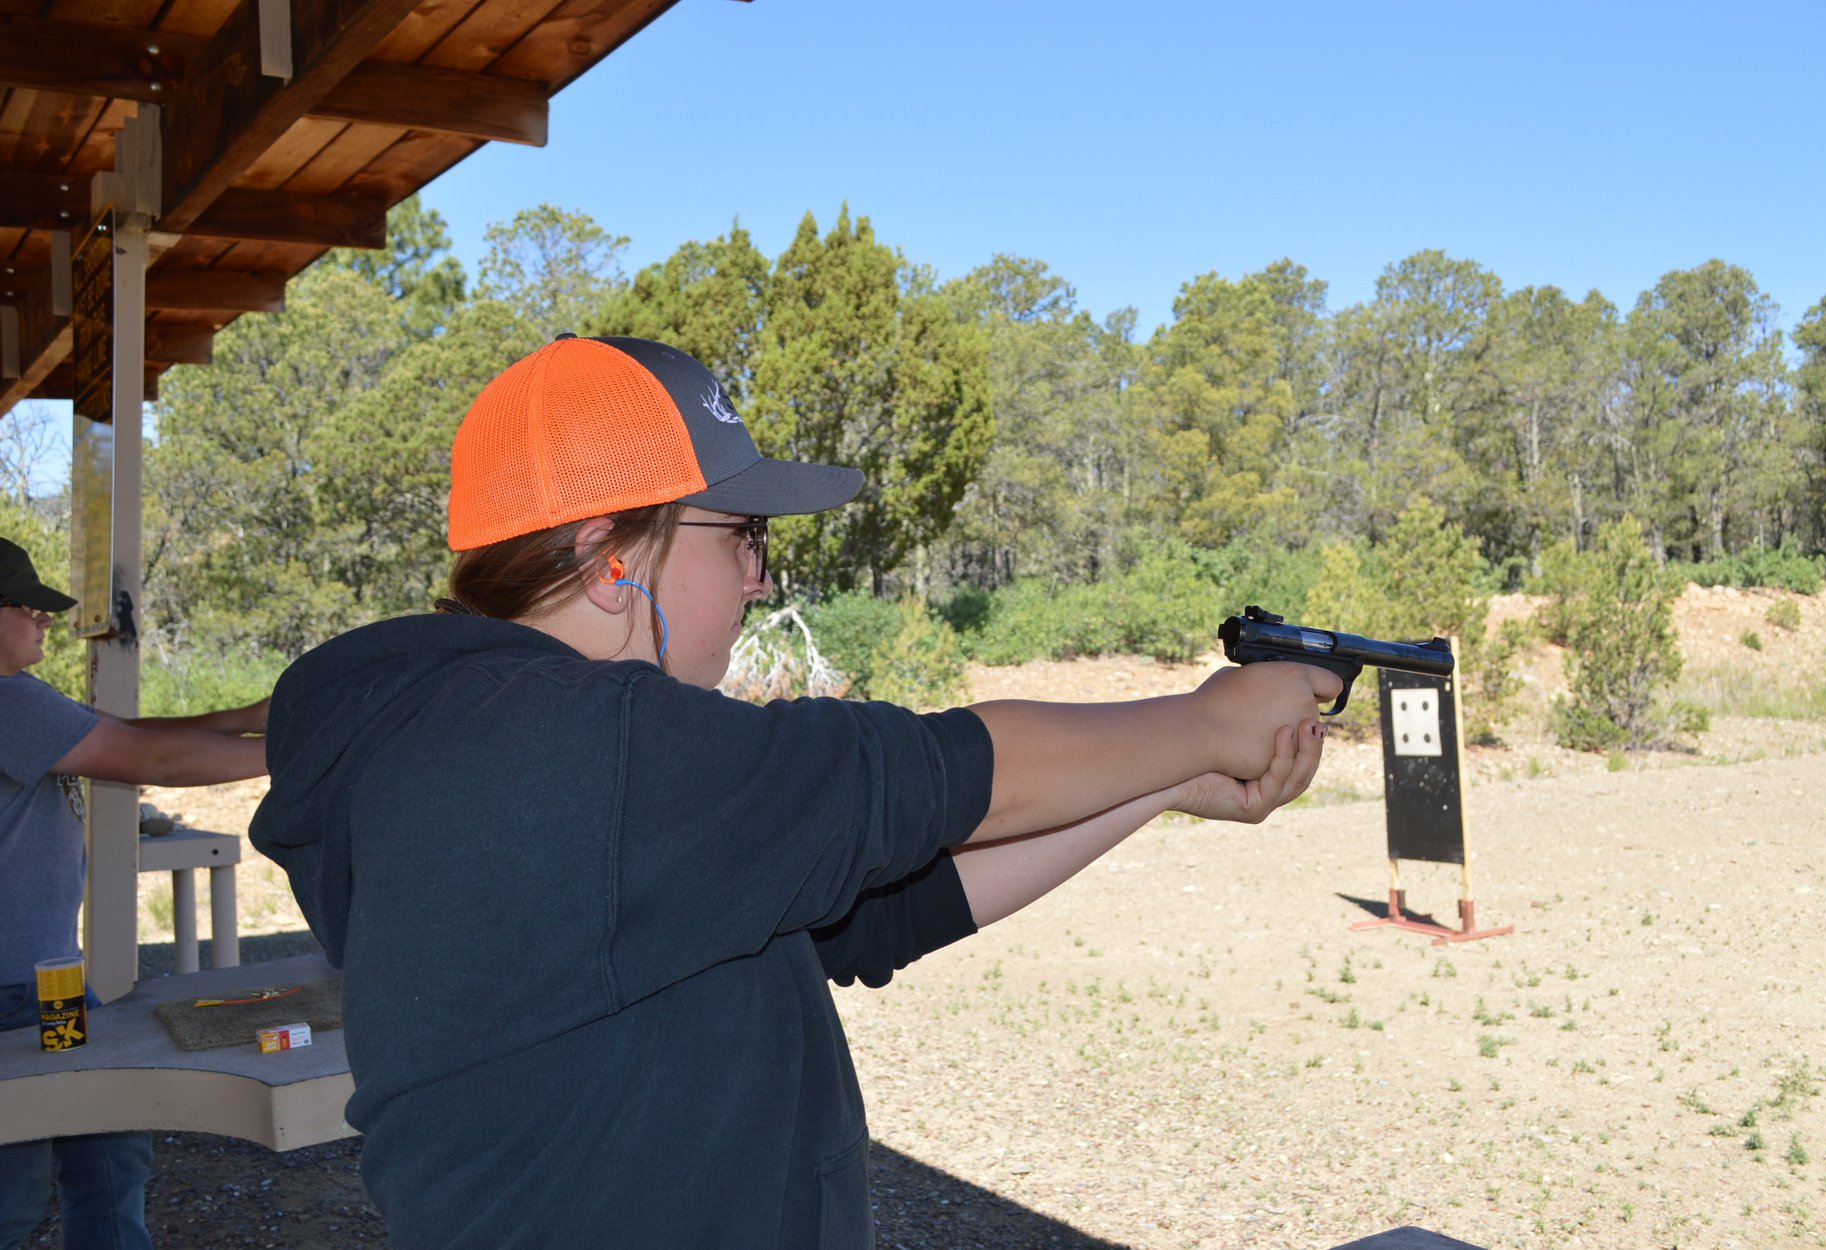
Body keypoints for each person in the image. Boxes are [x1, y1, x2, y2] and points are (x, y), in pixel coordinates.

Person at [248, 335, 1341, 1248]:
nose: (759, 577)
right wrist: (1204, 719)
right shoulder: (561, 754)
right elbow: (925, 775)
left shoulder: (492, 752)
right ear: (606, 559)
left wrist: (1170, 775)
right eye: (740, 535)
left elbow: (882, 906)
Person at [0, 538, 269, 1250]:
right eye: (26, 606)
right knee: (17, 1191)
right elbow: (155, 759)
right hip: (12, 993)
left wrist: (248, 716)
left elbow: (122, 735)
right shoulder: (6, 701)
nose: (44, 619)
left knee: (111, 1148)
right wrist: (303, 746)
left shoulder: (21, 701)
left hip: (45, 983)